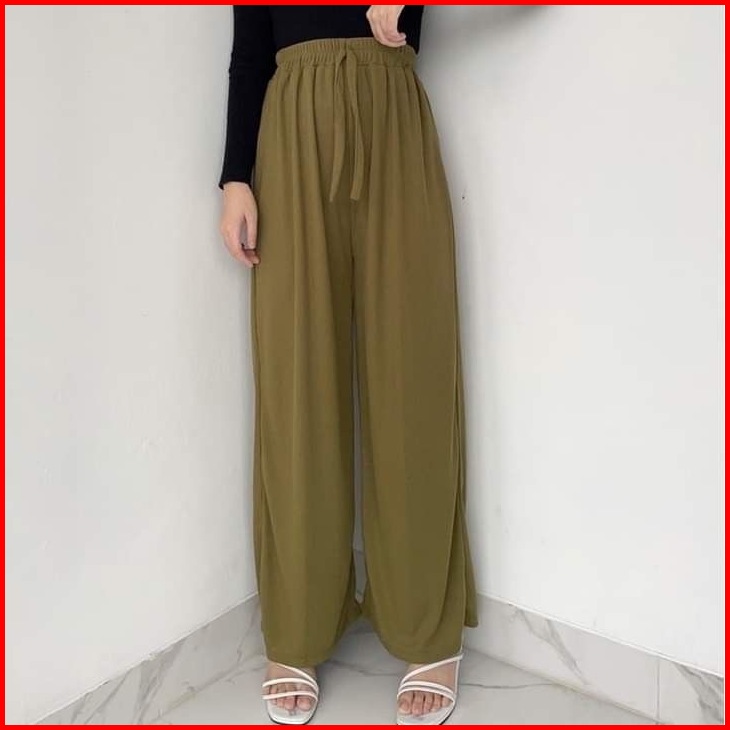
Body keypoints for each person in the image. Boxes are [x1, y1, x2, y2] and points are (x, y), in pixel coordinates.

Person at [218, 5, 478, 725]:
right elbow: (249, 52)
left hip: (395, 125)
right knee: (296, 384)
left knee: (413, 378)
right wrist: (235, 177)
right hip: (289, 136)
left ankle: (425, 625)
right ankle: (298, 625)